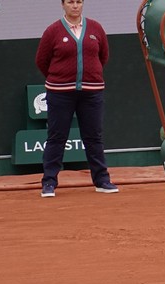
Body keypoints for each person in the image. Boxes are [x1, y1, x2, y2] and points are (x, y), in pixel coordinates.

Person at [35, 0, 118, 198]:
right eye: (70, 2)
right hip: (60, 93)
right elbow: (41, 61)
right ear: (63, 5)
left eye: (79, 1)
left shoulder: (96, 28)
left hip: (91, 92)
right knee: (56, 137)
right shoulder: (52, 31)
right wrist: (61, 78)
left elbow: (103, 56)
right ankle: (49, 183)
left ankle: (102, 181)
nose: (75, 6)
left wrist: (90, 76)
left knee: (93, 137)